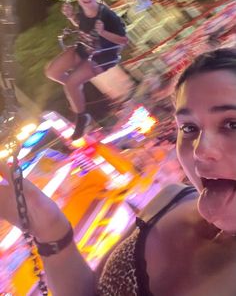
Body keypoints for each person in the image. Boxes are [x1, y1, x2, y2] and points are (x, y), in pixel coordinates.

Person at [1, 47, 236, 295]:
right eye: (189, 128)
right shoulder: (168, 201)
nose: (200, 150)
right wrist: (51, 230)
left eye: (232, 123)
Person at [45, 0, 128, 140]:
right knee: (51, 72)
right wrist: (70, 16)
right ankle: (76, 88)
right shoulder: (82, 11)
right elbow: (80, 23)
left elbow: (124, 41)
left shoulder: (108, 15)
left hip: (103, 56)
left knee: (71, 84)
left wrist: (103, 32)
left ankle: (82, 116)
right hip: (84, 49)